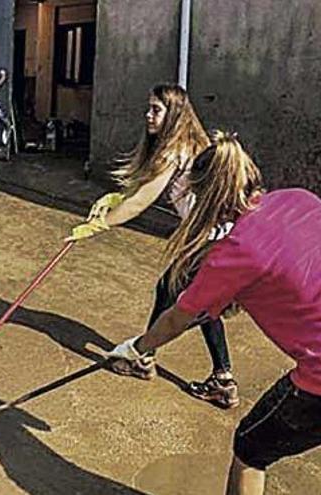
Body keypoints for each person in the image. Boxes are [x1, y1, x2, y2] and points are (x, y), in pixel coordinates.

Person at [105, 131, 321, 495]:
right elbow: (307, 262)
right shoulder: (300, 198)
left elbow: (178, 317)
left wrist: (138, 347)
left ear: (205, 198)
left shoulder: (234, 252)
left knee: (250, 449)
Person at [75, 83, 240, 408]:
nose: (147, 115)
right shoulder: (196, 142)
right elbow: (141, 189)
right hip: (223, 239)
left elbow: (140, 203)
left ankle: (144, 356)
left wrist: (98, 225)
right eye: (149, 108)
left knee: (183, 296)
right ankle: (219, 378)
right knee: (187, 298)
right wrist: (114, 199)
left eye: (156, 109)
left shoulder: (173, 151)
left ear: (173, 114)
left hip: (210, 242)